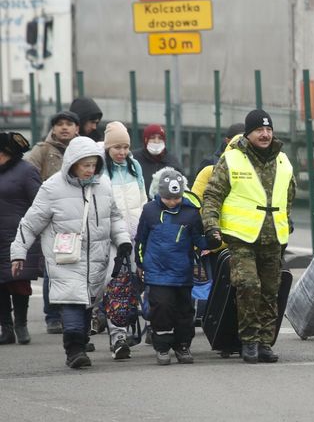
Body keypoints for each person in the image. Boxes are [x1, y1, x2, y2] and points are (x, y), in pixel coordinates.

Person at [10, 136, 132, 369]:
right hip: (65, 258)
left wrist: (123, 240)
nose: (90, 169)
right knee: (72, 302)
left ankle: (79, 341)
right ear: (73, 163)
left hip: (97, 258)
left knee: (86, 304)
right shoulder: (52, 188)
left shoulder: (103, 185)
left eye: (93, 164)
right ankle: (74, 350)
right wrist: (19, 252)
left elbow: (114, 217)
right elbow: (30, 222)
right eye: (85, 164)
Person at [201, 109, 296, 364]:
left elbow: (288, 194)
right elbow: (212, 195)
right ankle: (249, 341)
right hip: (241, 237)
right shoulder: (232, 159)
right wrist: (211, 226)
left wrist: (285, 219)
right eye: (259, 130)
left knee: (270, 290)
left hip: (273, 237)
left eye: (268, 130)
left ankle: (265, 342)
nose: (265, 135)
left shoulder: (283, 161)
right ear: (248, 133)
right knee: (248, 285)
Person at [135, 167, 206, 365]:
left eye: (176, 198)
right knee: (162, 308)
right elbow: (141, 240)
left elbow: (199, 239)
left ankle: (183, 345)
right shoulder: (149, 211)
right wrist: (140, 262)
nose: (173, 202)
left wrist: (211, 242)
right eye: (168, 198)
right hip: (157, 272)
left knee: (184, 311)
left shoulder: (191, 213)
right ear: (159, 194)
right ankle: (162, 346)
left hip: (182, 272)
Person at [23, 110, 80, 334]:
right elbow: (27, 174)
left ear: (77, 128)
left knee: (78, 267)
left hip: (80, 217)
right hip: (54, 221)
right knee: (52, 268)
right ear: (53, 128)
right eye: (59, 124)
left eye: (69, 124)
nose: (64, 128)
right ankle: (53, 316)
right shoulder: (42, 151)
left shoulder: (84, 148)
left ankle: (79, 314)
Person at [99, 121, 148, 359]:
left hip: (136, 236)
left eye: (126, 147)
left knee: (136, 284)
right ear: (108, 147)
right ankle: (117, 335)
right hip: (112, 239)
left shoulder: (134, 166)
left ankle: (135, 327)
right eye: (117, 147)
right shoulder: (101, 170)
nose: (122, 152)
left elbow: (143, 198)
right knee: (115, 285)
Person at [0, 133, 41, 345]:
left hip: (18, 236)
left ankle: (21, 324)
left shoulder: (27, 172)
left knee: (19, 282)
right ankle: (5, 327)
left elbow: (40, 204)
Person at [134, 124, 183, 194]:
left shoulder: (172, 161)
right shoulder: (135, 158)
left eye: (160, 138)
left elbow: (181, 184)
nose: (156, 141)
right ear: (145, 140)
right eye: (152, 137)